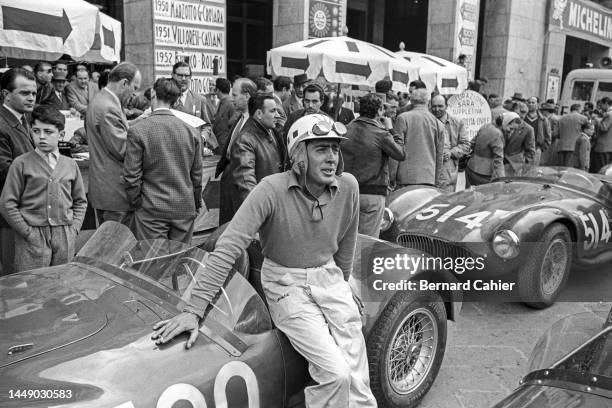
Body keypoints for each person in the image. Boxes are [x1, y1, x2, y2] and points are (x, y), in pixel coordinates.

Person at [152, 114, 377, 408]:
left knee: (358, 377)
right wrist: (194, 309)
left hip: (329, 277)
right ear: (299, 155)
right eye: (321, 149)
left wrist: (345, 286)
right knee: (337, 374)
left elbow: (347, 242)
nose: (332, 157)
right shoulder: (270, 188)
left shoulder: (348, 186)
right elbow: (228, 246)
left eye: (335, 148)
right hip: (286, 283)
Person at [0, 105, 87, 272]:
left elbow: (80, 201)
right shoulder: (21, 164)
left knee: (61, 281)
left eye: (48, 132)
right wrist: (26, 232)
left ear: (61, 135)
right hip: (33, 236)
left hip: (64, 234)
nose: (41, 137)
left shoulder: (70, 165)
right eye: (36, 131)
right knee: (32, 284)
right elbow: (7, 203)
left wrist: (74, 228)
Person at [122, 78, 203, 243]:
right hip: (183, 207)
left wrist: (137, 203)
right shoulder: (191, 132)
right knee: (179, 259)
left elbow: (132, 176)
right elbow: (197, 175)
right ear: (176, 100)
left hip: (151, 208)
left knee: (151, 262)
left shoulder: (138, 131)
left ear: (152, 93)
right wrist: (195, 202)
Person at [342, 93, 405, 237]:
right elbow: (400, 153)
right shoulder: (381, 133)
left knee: (345, 240)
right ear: (379, 111)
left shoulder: (345, 129)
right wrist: (391, 129)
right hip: (372, 194)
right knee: (367, 243)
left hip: (346, 192)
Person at [87, 62, 141, 227]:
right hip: (115, 193)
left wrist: (135, 124)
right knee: (116, 247)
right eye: (135, 88)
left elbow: (116, 133)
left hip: (109, 191)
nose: (135, 95)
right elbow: (123, 149)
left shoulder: (104, 100)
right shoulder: (108, 107)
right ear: (124, 83)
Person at [223, 94, 284, 220]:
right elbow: (246, 183)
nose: (277, 115)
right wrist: (261, 213)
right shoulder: (245, 140)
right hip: (260, 213)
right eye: (273, 111)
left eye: (277, 111)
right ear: (259, 114)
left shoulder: (272, 131)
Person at [0, 68, 37, 275]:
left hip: (27, 212)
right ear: (6, 95)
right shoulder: (2, 124)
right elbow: (5, 173)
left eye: (33, 93)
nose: (31, 98)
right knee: (13, 277)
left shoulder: (23, 119)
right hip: (11, 216)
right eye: (24, 93)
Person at [216, 78, 257, 224]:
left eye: (235, 95)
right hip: (229, 179)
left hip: (241, 185)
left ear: (247, 96)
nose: (231, 99)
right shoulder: (239, 118)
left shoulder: (255, 122)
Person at [391, 88, 444, 187]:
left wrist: (391, 177)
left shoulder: (403, 118)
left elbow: (396, 150)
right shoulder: (438, 124)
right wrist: (436, 180)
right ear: (428, 102)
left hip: (405, 178)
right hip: (428, 178)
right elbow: (439, 155)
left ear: (411, 100)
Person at [431, 94, 470, 192]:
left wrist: (451, 152)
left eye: (440, 106)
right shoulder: (427, 121)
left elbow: (465, 145)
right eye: (434, 106)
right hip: (429, 171)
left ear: (446, 106)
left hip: (447, 173)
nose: (437, 109)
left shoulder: (457, 123)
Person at [465, 115, 507, 187]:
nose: (511, 130)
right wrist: (502, 178)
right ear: (505, 123)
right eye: (511, 128)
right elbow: (498, 159)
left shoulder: (485, 126)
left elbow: (472, 143)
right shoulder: (497, 133)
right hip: (485, 174)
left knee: (470, 195)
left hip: (471, 167)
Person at [505, 102, 535, 176]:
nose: (521, 116)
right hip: (498, 164)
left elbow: (530, 152)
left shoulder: (528, 129)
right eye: (519, 112)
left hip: (514, 167)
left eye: (524, 113)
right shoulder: (503, 123)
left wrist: (525, 169)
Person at [524, 96, 551, 166]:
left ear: (537, 105)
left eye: (533, 102)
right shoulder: (523, 118)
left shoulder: (543, 120)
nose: (530, 104)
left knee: (533, 171)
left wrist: (541, 148)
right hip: (523, 150)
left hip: (536, 149)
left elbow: (548, 136)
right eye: (529, 102)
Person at [212, 77, 235, 151]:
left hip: (227, 146)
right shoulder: (220, 103)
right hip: (219, 145)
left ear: (218, 90)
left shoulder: (232, 104)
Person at [593, 97, 612, 172]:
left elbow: (604, 128)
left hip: (603, 146)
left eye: (601, 105)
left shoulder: (609, 114)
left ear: (606, 104)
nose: (600, 107)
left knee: (601, 169)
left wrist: (597, 120)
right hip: (609, 147)